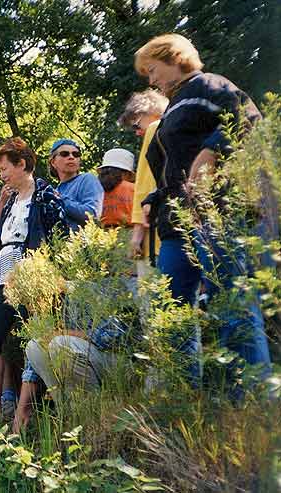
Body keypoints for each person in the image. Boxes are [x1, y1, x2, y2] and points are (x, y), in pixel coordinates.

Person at [134, 33, 270, 390]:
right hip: (175, 226)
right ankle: (186, 396)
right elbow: (172, 169)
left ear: (175, 58)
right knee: (171, 312)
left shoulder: (209, 85)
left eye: (152, 70)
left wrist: (212, 151)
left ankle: (252, 401)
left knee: (230, 303)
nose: (150, 80)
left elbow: (249, 117)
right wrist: (155, 199)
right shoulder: (171, 110)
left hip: (215, 214)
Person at [0, 138, 65, 426]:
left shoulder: (46, 197)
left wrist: (45, 277)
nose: (1, 174)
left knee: (33, 343)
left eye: (4, 168)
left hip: (33, 281)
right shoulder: (11, 199)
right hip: (3, 279)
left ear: (22, 164)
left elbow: (59, 241)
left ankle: (30, 412)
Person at [118, 89, 169, 271]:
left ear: (151, 112)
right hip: (176, 235)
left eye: (136, 125)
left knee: (150, 296)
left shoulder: (154, 129)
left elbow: (146, 187)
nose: (137, 133)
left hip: (153, 237)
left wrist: (137, 235)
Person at [49, 139, 104, 231]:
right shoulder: (55, 191)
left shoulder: (87, 179)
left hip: (83, 244)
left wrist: (61, 201)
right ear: (53, 162)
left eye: (76, 154)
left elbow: (93, 215)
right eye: (64, 154)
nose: (71, 157)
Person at [98, 149, 136, 228]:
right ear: (126, 173)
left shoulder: (94, 189)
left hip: (100, 236)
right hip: (129, 233)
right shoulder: (134, 189)